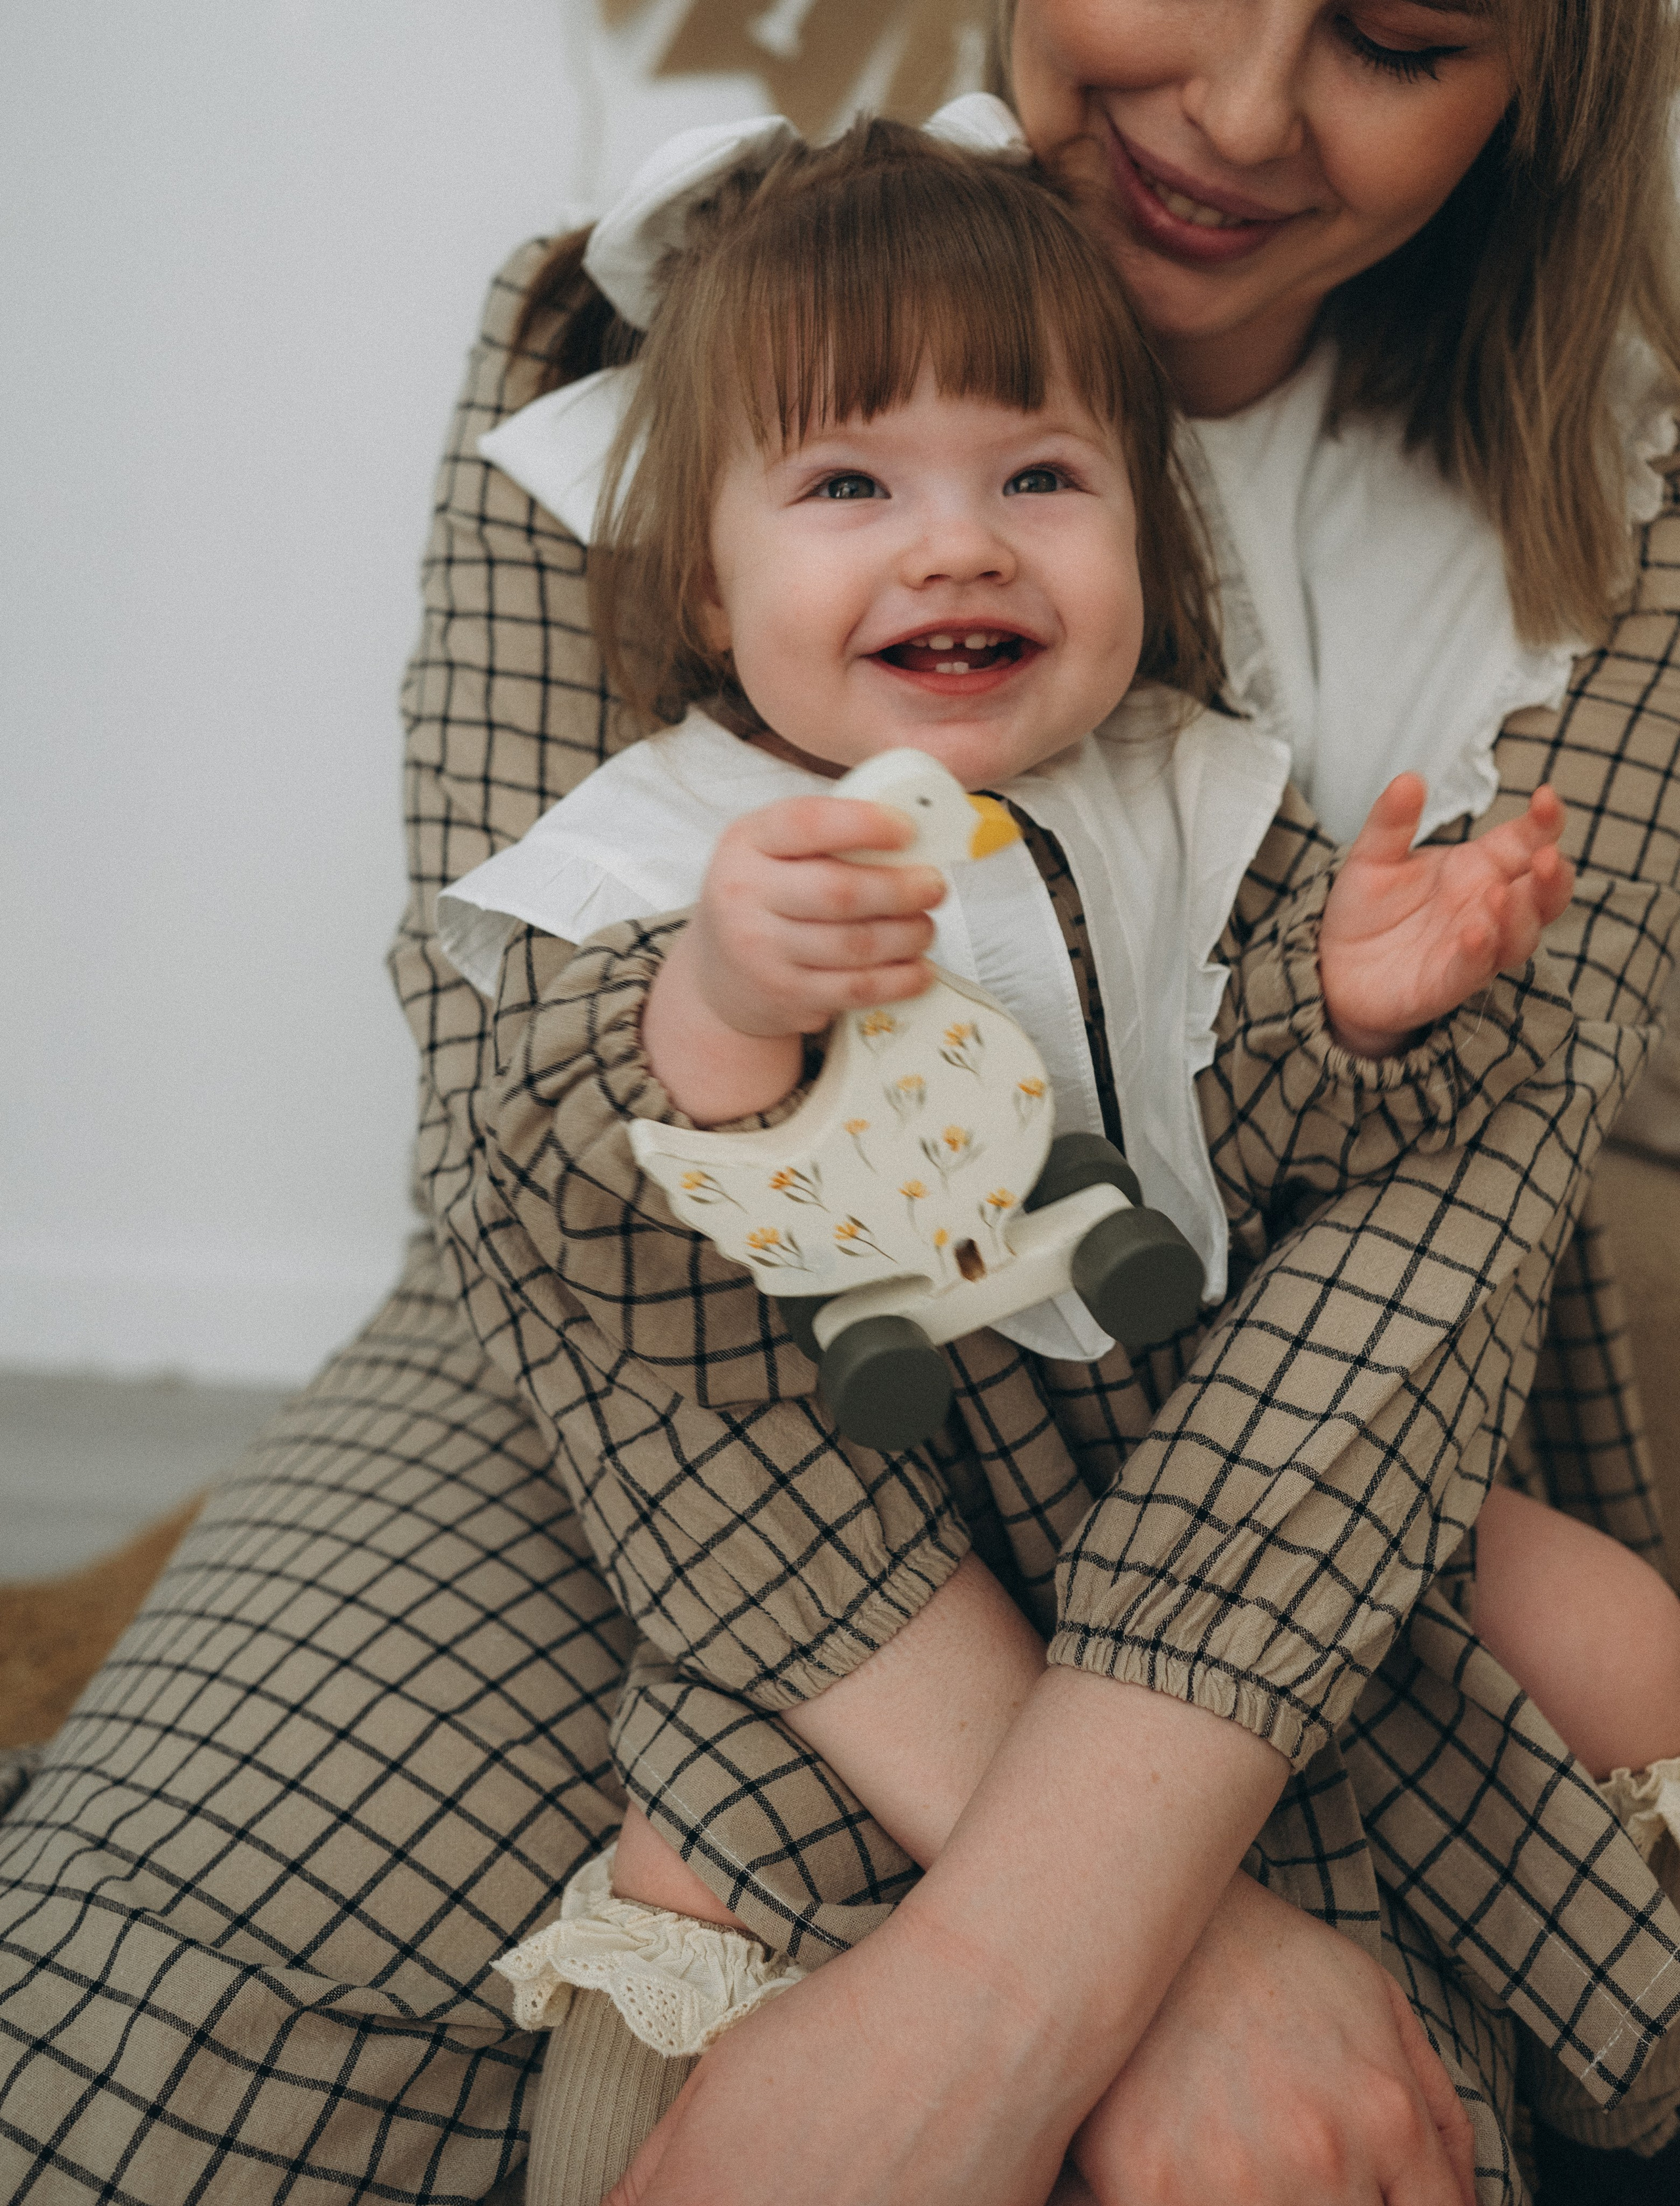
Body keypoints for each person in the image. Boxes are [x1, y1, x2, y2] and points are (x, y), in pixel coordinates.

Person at [1, 0, 1677, 2200]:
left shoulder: (1452, 622)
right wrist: (1074, 1951)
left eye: (1392, 33)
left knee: (1447, 1901)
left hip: (1268, 1404)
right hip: (686, 1381)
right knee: (203, 1975)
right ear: (699, 581)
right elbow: (567, 1169)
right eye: (861, 490)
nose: (1248, 113)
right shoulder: (651, 349)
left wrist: (1362, 1006)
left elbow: (1382, 1225)